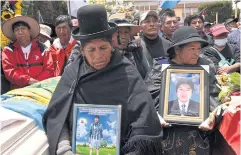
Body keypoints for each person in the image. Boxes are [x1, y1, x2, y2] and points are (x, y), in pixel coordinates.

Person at [43, 5, 163, 155]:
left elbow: (145, 123)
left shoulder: (127, 72)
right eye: (91, 50)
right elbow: (57, 117)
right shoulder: (72, 74)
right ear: (82, 51)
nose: (98, 55)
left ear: (112, 46)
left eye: (103, 48)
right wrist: (65, 149)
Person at [145, 26, 221, 154]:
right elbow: (149, 99)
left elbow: (213, 97)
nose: (197, 53)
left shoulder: (205, 66)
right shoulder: (161, 68)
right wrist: (156, 115)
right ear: (177, 49)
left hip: (198, 138)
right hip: (166, 138)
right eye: (192, 49)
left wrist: (212, 117)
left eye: (198, 48)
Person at [1, 15, 54, 89]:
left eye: (23, 28)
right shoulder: (8, 50)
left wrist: (36, 83)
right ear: (14, 33)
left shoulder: (43, 49)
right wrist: (28, 80)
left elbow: (49, 69)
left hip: (41, 89)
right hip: (17, 92)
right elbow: (10, 71)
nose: (20, 32)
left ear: (29, 30)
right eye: (16, 30)